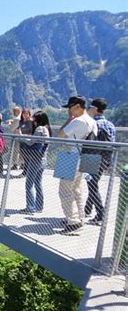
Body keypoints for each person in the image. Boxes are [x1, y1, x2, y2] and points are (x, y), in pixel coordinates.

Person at [57, 95, 98, 234]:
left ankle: (72, 221)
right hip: (88, 157)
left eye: (70, 107)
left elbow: (60, 134)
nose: (69, 110)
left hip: (70, 155)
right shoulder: (93, 121)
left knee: (64, 189)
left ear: (78, 106)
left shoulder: (77, 121)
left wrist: (69, 120)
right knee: (77, 190)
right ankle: (80, 218)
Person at [84, 98, 116, 226]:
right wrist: (109, 163)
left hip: (90, 157)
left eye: (90, 107)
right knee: (93, 184)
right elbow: (112, 145)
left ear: (95, 109)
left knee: (92, 186)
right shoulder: (110, 125)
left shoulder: (92, 123)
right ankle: (87, 209)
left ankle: (100, 213)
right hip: (104, 158)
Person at [20, 111, 52, 214]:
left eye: (34, 119)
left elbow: (30, 142)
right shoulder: (47, 129)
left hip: (35, 159)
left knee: (29, 183)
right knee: (38, 183)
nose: (32, 121)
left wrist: (21, 136)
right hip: (43, 159)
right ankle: (39, 206)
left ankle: (30, 207)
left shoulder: (39, 129)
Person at [18, 108, 34, 176]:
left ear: (29, 114)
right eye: (23, 113)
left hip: (27, 141)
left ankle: (26, 172)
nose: (25, 115)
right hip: (21, 141)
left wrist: (22, 134)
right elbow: (18, 129)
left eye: (26, 113)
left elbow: (31, 130)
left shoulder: (30, 121)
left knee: (27, 156)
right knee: (24, 156)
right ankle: (26, 171)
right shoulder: (21, 122)